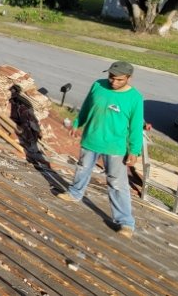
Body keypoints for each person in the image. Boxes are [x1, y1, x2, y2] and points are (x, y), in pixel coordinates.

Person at [58, 61, 144, 238]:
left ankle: (125, 222)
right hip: (91, 139)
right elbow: (87, 106)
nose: (113, 82)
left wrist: (134, 151)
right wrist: (77, 122)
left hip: (115, 147)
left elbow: (135, 127)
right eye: (111, 77)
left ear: (129, 78)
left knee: (117, 183)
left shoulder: (135, 98)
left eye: (119, 79)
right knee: (82, 168)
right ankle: (75, 194)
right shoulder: (98, 85)